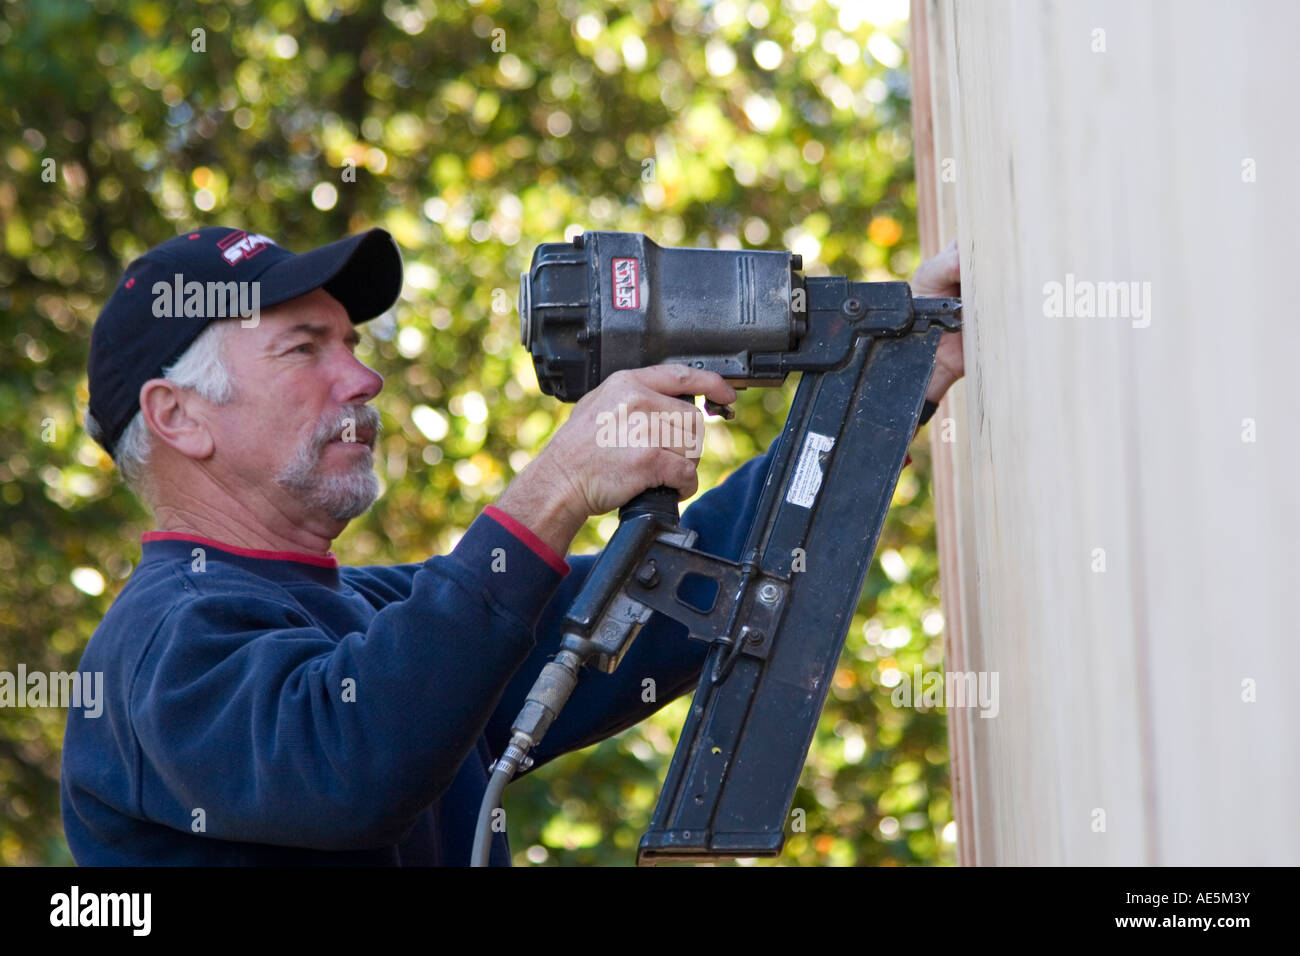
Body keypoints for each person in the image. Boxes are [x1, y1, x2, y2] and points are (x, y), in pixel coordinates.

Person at [62, 225, 963, 865]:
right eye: (306, 349)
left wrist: (893, 378)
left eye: (354, 342)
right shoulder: (160, 647)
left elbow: (679, 600)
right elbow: (348, 759)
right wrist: (557, 486)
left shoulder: (376, 617)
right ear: (177, 417)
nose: (364, 376)